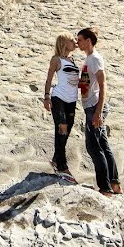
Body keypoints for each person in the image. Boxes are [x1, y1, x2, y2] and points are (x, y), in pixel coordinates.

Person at [76, 26, 122, 196]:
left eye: (80, 39)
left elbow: (103, 85)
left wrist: (98, 112)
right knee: (103, 144)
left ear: (88, 41)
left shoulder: (94, 59)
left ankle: (105, 188)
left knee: (93, 147)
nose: (77, 42)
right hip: (91, 106)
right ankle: (115, 184)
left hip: (95, 107)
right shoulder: (89, 59)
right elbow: (86, 85)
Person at [43, 33, 79, 183]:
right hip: (59, 98)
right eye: (72, 41)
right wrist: (46, 97)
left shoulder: (72, 60)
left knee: (67, 131)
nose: (75, 42)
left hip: (72, 100)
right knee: (62, 128)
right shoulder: (56, 59)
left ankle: (56, 159)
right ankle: (62, 166)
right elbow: (49, 79)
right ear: (64, 43)